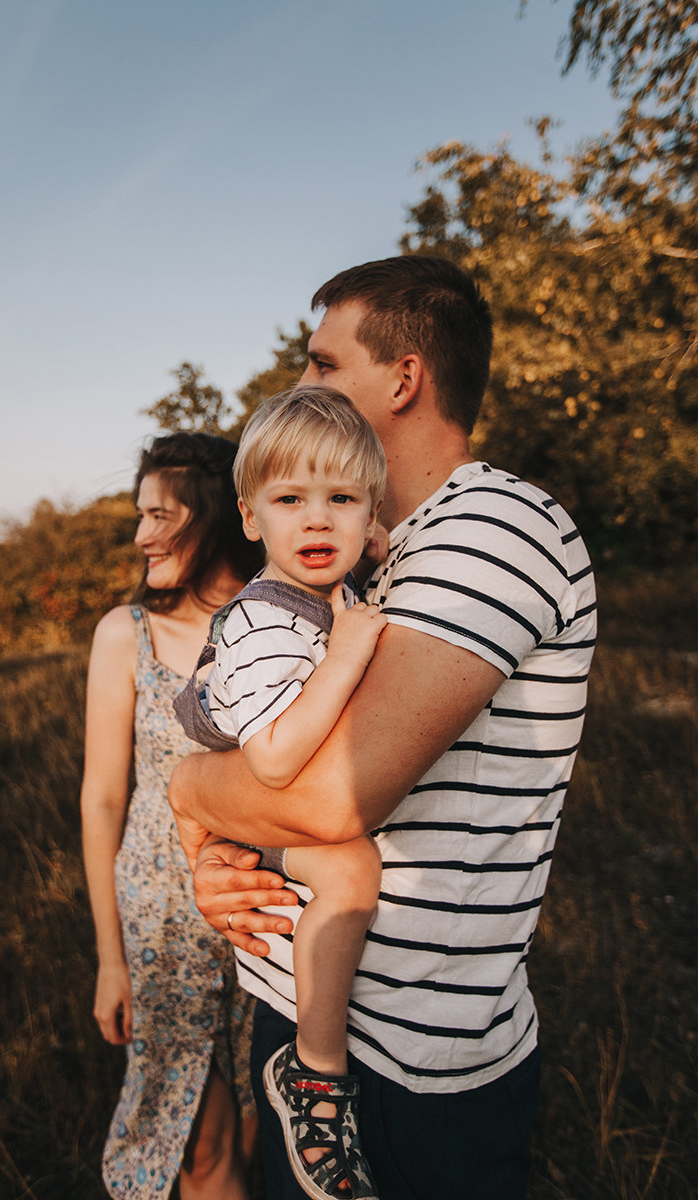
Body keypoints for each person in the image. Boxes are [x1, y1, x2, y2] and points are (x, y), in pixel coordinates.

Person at [168, 255, 598, 1200]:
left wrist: (186, 791)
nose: (301, 384)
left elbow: (332, 798)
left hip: (414, 1056)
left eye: (323, 365)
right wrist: (223, 849)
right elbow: (276, 768)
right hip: (301, 1013)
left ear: (403, 379)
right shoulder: (358, 567)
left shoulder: (492, 527)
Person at [174, 387, 389, 1200]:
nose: (318, 522)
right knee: (350, 869)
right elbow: (270, 763)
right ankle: (317, 1074)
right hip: (257, 805)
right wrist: (348, 653)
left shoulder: (324, 592)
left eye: (342, 501)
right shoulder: (267, 623)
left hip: (264, 803)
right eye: (291, 500)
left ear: (370, 516)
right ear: (250, 517)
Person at [80, 431, 264, 1200]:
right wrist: (111, 958)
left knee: (261, 1126)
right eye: (139, 513)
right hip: (159, 924)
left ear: (215, 513)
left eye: (160, 514)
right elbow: (102, 798)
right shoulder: (127, 634)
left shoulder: (280, 625)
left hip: (264, 913)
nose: (139, 534)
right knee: (197, 1142)